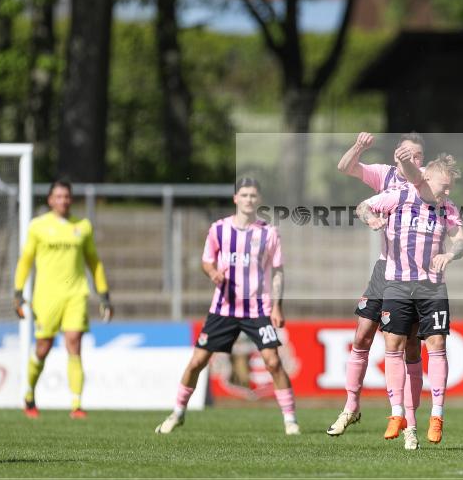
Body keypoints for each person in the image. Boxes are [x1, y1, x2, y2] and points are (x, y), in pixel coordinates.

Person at [155, 177, 299, 435]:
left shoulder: (268, 233)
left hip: (257, 309)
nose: (248, 200)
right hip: (223, 309)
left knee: (273, 362)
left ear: (259, 200)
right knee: (198, 361)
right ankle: (177, 412)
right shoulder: (219, 229)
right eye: (244, 195)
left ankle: (290, 420)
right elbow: (206, 261)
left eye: (253, 195)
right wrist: (212, 273)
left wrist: (277, 306)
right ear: (235, 199)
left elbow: (277, 271)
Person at [357, 154, 463, 447]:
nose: (447, 192)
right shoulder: (400, 196)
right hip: (397, 284)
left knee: (437, 346)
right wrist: (371, 219)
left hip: (432, 289)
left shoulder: (447, 208)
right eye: (444, 186)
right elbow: (363, 206)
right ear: (426, 179)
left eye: (450, 188)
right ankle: (396, 414)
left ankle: (437, 415)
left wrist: (450, 254)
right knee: (392, 345)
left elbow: (461, 240)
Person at [327, 132, 426, 449]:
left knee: (409, 347)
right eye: (407, 152)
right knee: (362, 336)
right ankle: (351, 406)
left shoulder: (426, 181)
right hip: (385, 269)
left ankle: (409, 422)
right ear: (398, 153)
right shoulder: (385, 174)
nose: (413, 158)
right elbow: (345, 168)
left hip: (414, 276)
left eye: (418, 154)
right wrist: (358, 147)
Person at [13, 179, 113, 419]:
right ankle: (29, 395)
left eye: (66, 196)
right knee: (43, 347)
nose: (63, 200)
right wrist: (18, 292)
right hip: (46, 296)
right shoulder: (38, 226)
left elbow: (94, 261)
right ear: (50, 200)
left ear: (71, 199)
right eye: (58, 196)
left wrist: (104, 294)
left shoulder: (83, 226)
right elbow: (26, 260)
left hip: (76, 294)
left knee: (74, 342)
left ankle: (76, 405)